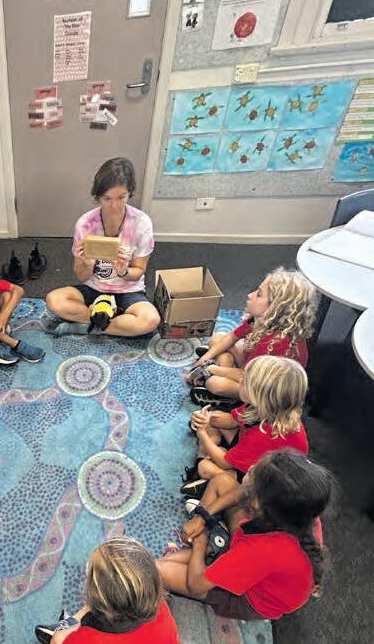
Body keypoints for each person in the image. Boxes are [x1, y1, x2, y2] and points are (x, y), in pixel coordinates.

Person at [157, 450, 332, 621]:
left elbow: (196, 585)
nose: (251, 468)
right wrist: (201, 517)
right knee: (222, 482)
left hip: (248, 599)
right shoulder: (299, 511)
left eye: (255, 472)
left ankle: (213, 549)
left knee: (159, 570)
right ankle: (215, 549)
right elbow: (240, 491)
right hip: (257, 553)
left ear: (256, 504)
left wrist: (200, 542)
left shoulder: (263, 550)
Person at [34, 537, 181, 644]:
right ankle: (78, 622)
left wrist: (71, 628)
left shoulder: (97, 640)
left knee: (58, 641)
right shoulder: (154, 599)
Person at [45, 158, 160, 338]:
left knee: (151, 320)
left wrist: (123, 271)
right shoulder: (85, 224)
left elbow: (139, 271)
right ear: (98, 196)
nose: (114, 206)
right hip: (94, 289)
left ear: (130, 193)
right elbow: (81, 276)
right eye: (107, 199)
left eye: (121, 197)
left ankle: (86, 326)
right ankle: (114, 323)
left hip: (127, 292)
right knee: (54, 300)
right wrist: (88, 265)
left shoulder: (141, 223)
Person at [181, 356, 309, 499]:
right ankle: (212, 453)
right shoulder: (263, 408)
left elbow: (224, 463)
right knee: (215, 418)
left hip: (265, 479)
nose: (241, 380)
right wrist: (205, 418)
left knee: (205, 467)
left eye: (247, 381)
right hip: (252, 450)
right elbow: (232, 421)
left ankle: (217, 484)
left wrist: (202, 433)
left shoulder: (265, 434)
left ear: (261, 396)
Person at [187, 267, 316, 403]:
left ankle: (228, 397)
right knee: (218, 338)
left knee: (216, 384)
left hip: (267, 390)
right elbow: (232, 337)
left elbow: (248, 376)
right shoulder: (261, 319)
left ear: (274, 308)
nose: (250, 295)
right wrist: (203, 361)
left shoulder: (276, 342)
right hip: (252, 367)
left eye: (259, 294)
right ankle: (223, 371)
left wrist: (211, 369)